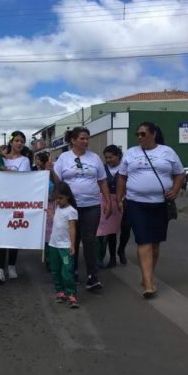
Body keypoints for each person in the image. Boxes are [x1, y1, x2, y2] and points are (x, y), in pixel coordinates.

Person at [116, 122, 185, 299]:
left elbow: (179, 173)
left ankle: (148, 274)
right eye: (137, 135)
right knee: (143, 242)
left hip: (160, 203)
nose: (139, 137)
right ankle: (148, 283)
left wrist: (175, 190)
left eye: (143, 134)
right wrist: (119, 198)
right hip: (136, 203)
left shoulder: (167, 152)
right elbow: (122, 177)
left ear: (153, 134)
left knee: (155, 244)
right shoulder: (131, 153)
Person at [52, 126, 111, 291]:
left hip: (92, 205)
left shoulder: (95, 158)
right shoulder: (64, 158)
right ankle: (73, 271)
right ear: (73, 140)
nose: (85, 141)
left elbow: (102, 181)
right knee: (73, 240)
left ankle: (92, 276)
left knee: (90, 240)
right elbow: (58, 183)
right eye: (82, 138)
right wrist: (51, 169)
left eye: (87, 138)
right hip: (71, 207)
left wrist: (108, 201)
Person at [0, 131, 32, 284]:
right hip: (0, 201)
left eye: (22, 141)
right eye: (16, 140)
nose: (19, 143)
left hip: (17, 201)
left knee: (14, 233)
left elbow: (24, 179)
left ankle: (11, 266)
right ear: (11, 142)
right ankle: (0, 269)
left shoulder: (25, 160)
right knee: (1, 236)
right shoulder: (0, 158)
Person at [95, 145, 130, 268]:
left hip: (124, 201)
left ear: (118, 156)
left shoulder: (126, 168)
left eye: (111, 157)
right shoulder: (103, 169)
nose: (108, 160)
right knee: (111, 231)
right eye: (106, 158)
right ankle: (113, 257)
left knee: (125, 229)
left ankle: (121, 250)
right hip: (107, 201)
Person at [48, 182, 79, 309]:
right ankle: (60, 292)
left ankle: (71, 293)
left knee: (66, 271)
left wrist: (72, 245)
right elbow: (58, 221)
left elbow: (72, 228)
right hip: (53, 244)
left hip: (65, 246)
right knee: (55, 270)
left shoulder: (72, 211)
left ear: (68, 197)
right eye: (57, 198)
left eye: (61, 198)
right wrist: (51, 215)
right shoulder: (57, 208)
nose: (59, 201)